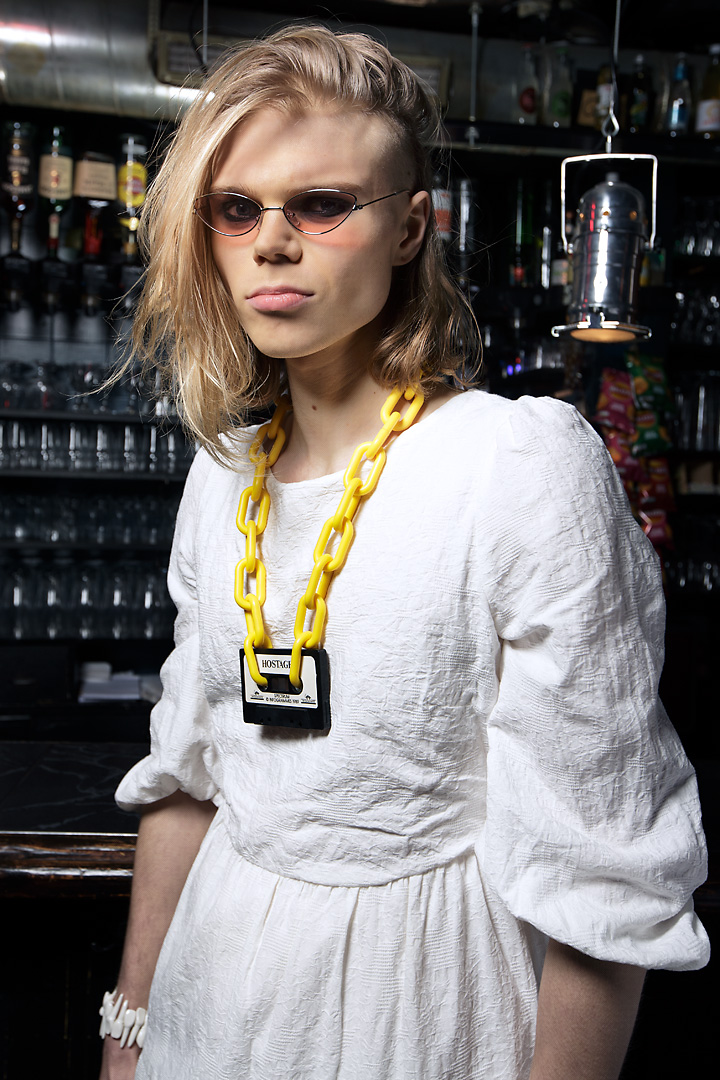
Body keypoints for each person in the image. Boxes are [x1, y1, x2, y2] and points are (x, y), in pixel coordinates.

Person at [99, 24, 710, 1080]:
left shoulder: (521, 468)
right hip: (217, 991)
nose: (271, 243)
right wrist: (130, 1038)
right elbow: (188, 783)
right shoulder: (223, 475)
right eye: (237, 208)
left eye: (322, 204)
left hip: (424, 1006)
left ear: (411, 229)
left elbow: (601, 870)